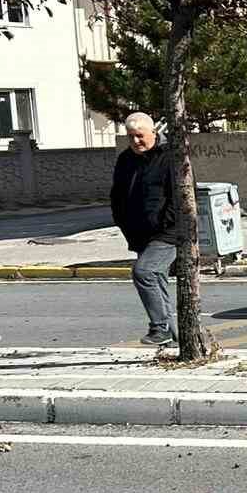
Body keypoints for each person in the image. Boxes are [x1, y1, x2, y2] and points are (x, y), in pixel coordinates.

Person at [110, 112, 180, 347]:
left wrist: (166, 222)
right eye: (131, 137)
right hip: (139, 234)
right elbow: (117, 195)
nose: (136, 141)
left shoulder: (169, 157)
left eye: (140, 136)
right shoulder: (125, 160)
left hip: (168, 232)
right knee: (157, 281)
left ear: (153, 133)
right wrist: (122, 221)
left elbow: (179, 197)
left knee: (145, 272)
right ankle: (176, 340)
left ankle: (160, 328)